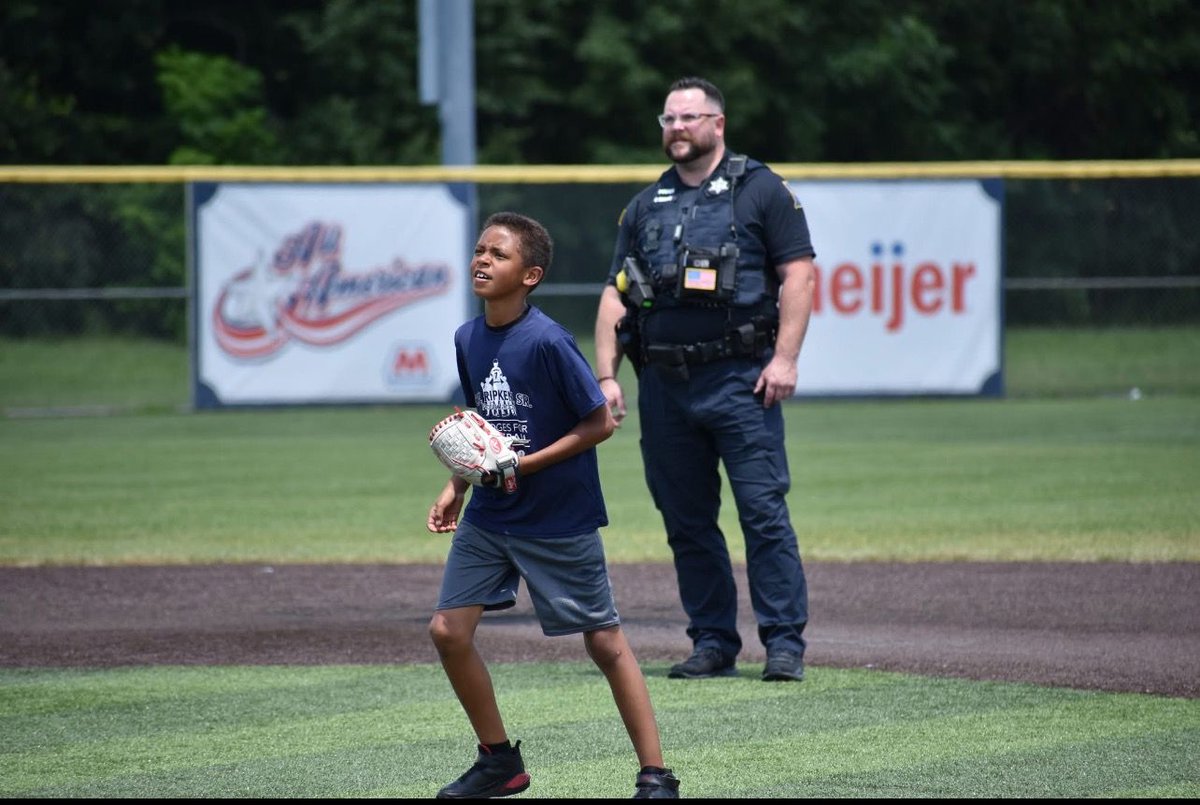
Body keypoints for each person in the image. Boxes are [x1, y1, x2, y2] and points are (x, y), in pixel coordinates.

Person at [427, 212, 681, 800]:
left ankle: (656, 775)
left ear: (531, 275)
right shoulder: (468, 337)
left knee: (604, 642)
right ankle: (498, 762)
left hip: (557, 517)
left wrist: (523, 466)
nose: (483, 260)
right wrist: (458, 483)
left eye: (499, 254)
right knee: (447, 631)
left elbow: (599, 424)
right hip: (491, 514)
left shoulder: (547, 341)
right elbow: (482, 426)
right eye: (480, 250)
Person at [593, 77, 816, 683]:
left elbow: (799, 275)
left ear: (718, 124)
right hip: (665, 387)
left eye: (689, 118)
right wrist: (607, 377)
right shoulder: (645, 206)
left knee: (762, 513)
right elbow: (615, 296)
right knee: (686, 522)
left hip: (741, 380)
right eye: (668, 119)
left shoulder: (761, 190)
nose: (677, 128)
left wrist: (786, 359)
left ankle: (783, 644)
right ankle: (713, 641)